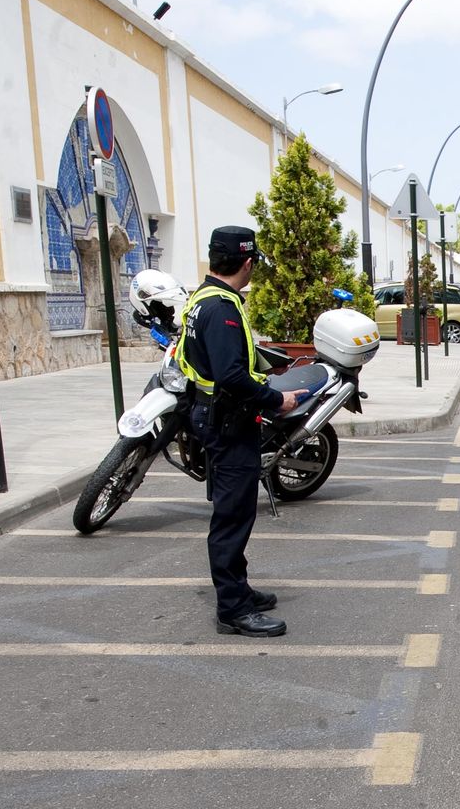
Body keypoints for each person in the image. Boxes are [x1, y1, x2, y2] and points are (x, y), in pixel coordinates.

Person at [175, 226, 306, 638]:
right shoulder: (223, 309)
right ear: (247, 263)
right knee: (232, 517)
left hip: (213, 415)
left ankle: (240, 590)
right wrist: (276, 401)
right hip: (227, 420)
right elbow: (232, 375)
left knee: (236, 512)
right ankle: (232, 609)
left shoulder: (202, 298)